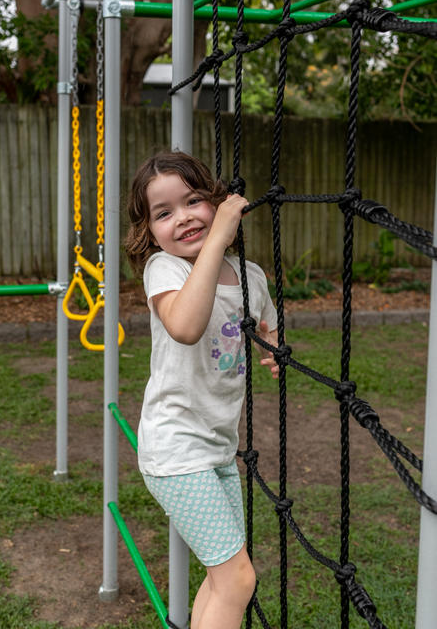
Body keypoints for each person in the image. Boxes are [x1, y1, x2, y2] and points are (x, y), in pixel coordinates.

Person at [125, 150, 279, 629]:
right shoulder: (166, 271)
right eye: (164, 213)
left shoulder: (250, 275)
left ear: (215, 200)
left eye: (193, 201)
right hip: (175, 451)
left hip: (218, 449)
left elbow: (267, 323)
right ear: (149, 233)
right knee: (237, 580)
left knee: (223, 579)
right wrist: (219, 237)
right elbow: (187, 326)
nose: (184, 218)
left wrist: (274, 347)